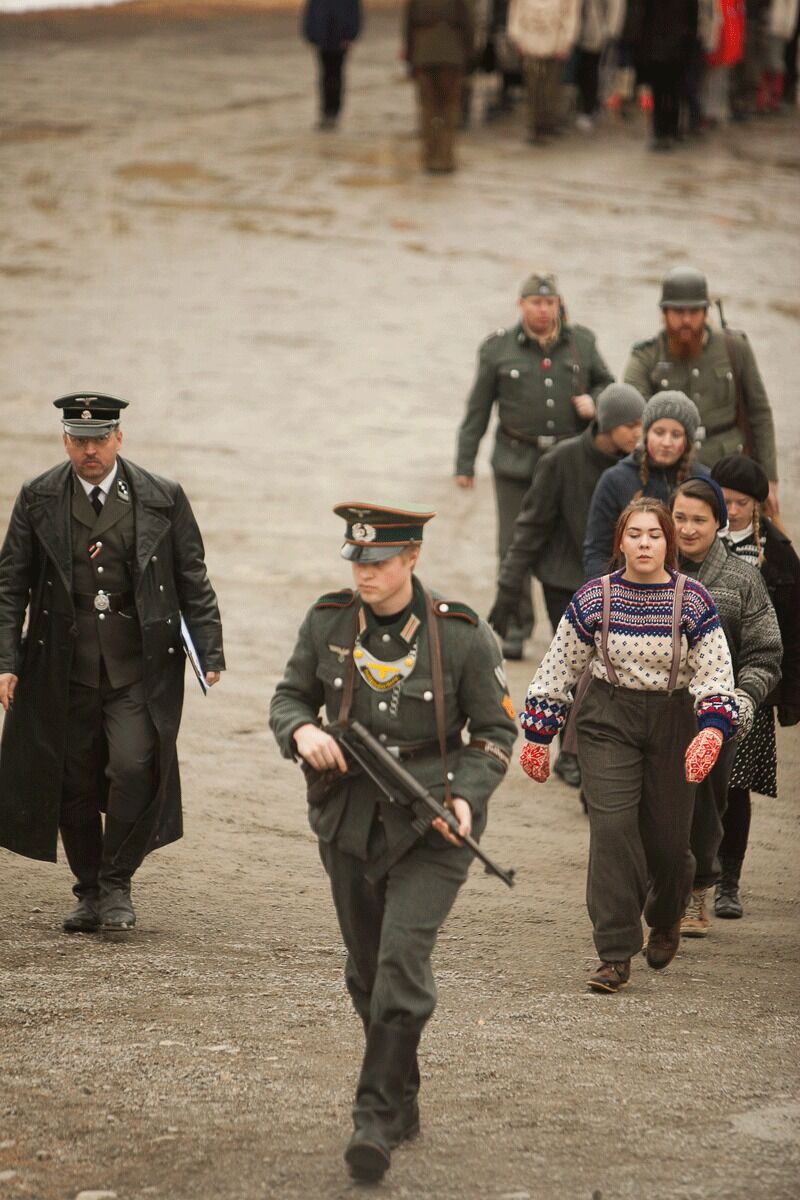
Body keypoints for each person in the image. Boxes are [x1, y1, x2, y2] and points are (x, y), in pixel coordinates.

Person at [269, 502, 516, 1182]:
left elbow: (496, 735)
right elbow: (289, 696)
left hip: (432, 823)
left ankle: (372, 1119)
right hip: (348, 820)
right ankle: (402, 1098)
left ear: (411, 560)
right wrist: (301, 732)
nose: (364, 573)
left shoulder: (461, 635)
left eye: (377, 563)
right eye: (356, 560)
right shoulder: (328, 622)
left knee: (402, 964)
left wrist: (465, 798)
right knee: (366, 969)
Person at [0, 394, 224, 933]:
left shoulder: (161, 497)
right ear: (64, 441)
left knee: (132, 766)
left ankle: (117, 880)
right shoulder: (39, 497)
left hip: (136, 664)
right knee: (70, 777)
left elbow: (192, 575)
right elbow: (10, 585)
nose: (89, 451)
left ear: (119, 438)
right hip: (61, 663)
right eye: (79, 441)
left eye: (99, 439)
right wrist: (6, 659)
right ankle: (89, 889)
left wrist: (210, 649)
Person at [519, 498, 738, 993]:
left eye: (654, 535)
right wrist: (538, 733)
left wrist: (711, 728)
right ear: (620, 542)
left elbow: (715, 672)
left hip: (675, 720)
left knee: (668, 842)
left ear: (668, 543)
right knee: (614, 829)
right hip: (607, 720)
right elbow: (560, 666)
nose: (644, 542)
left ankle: (665, 917)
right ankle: (615, 953)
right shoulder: (594, 599)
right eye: (634, 534)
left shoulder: (695, 600)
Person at [489, 381, 645, 786]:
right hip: (564, 581)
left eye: (642, 424)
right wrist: (507, 592)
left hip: (619, 580)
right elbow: (529, 528)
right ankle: (568, 754)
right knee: (575, 668)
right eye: (631, 425)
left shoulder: (638, 467)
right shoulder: (561, 461)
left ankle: (587, 749)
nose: (638, 433)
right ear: (607, 424)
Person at [455, 271, 614, 659]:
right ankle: (515, 629)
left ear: (558, 304)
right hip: (515, 461)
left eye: (549, 302)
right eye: (535, 303)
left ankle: (576, 622)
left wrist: (595, 401)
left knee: (573, 541)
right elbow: (478, 408)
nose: (542, 310)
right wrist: (465, 461)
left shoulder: (583, 344)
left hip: (568, 463)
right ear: (521, 305)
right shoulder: (497, 349)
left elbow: (611, 388)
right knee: (514, 544)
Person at [669, 477, 782, 937]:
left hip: (714, 719)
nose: (688, 529)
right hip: (653, 713)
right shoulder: (650, 570)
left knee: (703, 810)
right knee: (654, 807)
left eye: (699, 520)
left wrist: (741, 701)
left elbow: (765, 652)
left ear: (719, 522)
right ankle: (662, 895)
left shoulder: (742, 579)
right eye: (679, 518)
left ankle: (697, 892)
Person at [709, 457, 799, 917]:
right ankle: (692, 874)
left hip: (751, 685)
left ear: (759, 505)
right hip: (698, 680)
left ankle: (729, 880)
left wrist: (787, 697)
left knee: (735, 784)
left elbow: (792, 629)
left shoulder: (779, 553)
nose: (733, 510)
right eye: (724, 501)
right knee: (691, 778)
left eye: (742, 503)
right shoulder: (699, 541)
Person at [624, 266, 779, 513]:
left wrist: (769, 478)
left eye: (694, 311)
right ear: (664, 313)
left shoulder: (734, 348)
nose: (686, 320)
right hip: (672, 469)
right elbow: (634, 416)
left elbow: (759, 413)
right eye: (678, 311)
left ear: (706, 312)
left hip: (730, 467)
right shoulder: (647, 355)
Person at [583, 390, 708, 581]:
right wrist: (606, 595)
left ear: (688, 441)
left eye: (676, 434)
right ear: (646, 434)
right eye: (659, 432)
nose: (666, 442)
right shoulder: (615, 479)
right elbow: (597, 550)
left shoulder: (704, 480)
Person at [404, 0, 474, 172]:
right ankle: (445, 157)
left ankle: (429, 157)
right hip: (452, 56)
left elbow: (408, 27)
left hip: (423, 54)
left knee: (428, 108)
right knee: (449, 108)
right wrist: (468, 55)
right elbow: (468, 25)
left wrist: (411, 57)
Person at [507, 0, 580, 141]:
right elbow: (515, 11)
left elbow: (570, 14)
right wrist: (517, 38)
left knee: (550, 86)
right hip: (530, 40)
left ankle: (547, 122)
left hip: (555, 41)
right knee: (533, 86)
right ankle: (535, 125)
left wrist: (566, 41)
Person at [302, 0, 362, 130]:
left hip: (340, 41)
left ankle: (333, 112)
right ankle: (325, 112)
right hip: (323, 40)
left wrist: (350, 36)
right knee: (324, 76)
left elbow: (354, 14)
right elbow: (310, 14)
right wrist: (311, 36)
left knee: (336, 76)